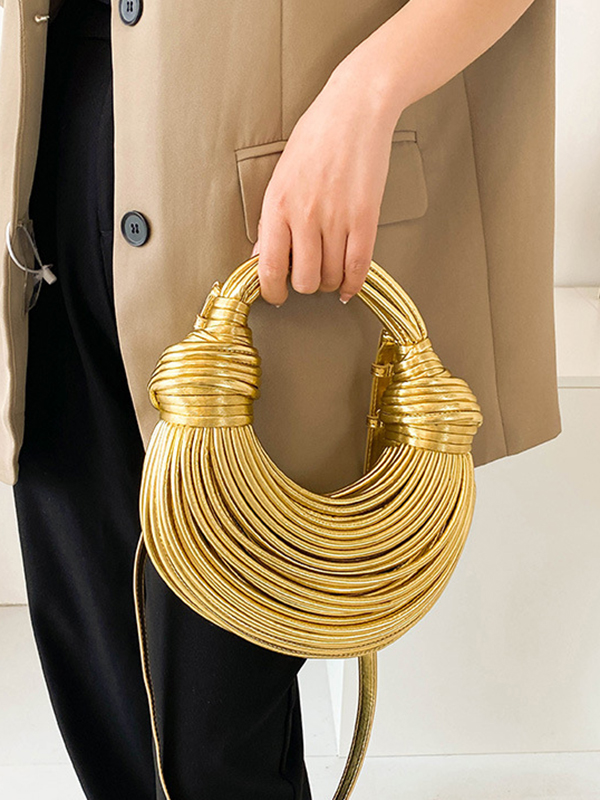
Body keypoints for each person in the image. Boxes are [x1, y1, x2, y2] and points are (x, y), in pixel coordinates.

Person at [0, 0, 560, 798]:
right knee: (113, 727)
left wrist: (366, 94)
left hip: (276, 210)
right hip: (51, 170)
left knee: (213, 749)